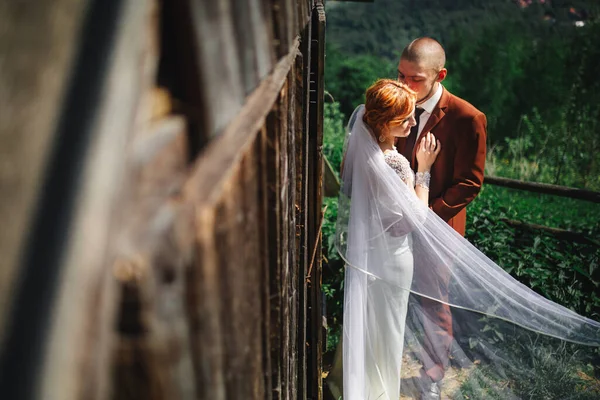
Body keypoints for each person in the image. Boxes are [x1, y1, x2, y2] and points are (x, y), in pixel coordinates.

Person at [329, 78, 600, 400]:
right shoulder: (395, 161)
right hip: (392, 257)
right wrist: (424, 170)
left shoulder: (362, 153)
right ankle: (378, 392)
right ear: (385, 121)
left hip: (369, 253)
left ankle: (351, 385)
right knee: (387, 329)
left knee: (366, 321)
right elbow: (415, 218)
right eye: (406, 118)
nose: (413, 122)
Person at [396, 37, 487, 399]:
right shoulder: (398, 101)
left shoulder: (468, 117)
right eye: (400, 75)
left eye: (414, 78)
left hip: (439, 226)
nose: (404, 85)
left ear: (440, 75)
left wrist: (426, 218)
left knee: (434, 301)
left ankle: (432, 376)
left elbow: (470, 183)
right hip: (393, 220)